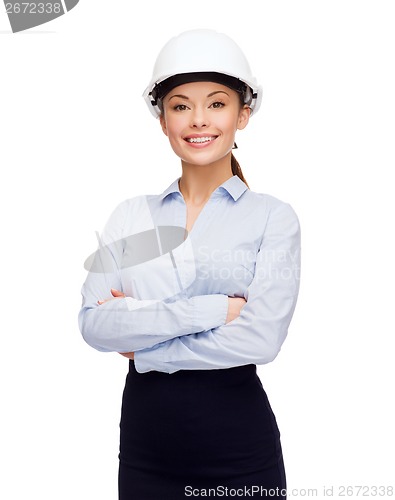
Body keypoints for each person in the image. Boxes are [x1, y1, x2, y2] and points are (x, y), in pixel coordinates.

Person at [78, 29, 301, 499]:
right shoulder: (133, 216)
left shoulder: (271, 218)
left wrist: (148, 347)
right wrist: (215, 310)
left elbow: (261, 338)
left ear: (243, 114)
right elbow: (96, 324)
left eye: (217, 104)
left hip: (239, 452)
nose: (198, 120)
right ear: (162, 120)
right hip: (146, 451)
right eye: (180, 106)